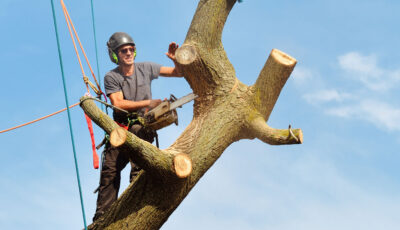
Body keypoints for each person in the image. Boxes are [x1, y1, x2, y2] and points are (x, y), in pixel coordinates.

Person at [93, 32, 183, 221]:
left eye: (131, 49)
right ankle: (102, 219)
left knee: (139, 168)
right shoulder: (112, 76)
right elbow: (118, 103)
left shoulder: (147, 68)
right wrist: (147, 103)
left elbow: (178, 73)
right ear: (115, 55)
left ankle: (137, 207)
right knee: (109, 172)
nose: (128, 53)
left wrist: (176, 60)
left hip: (142, 129)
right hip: (120, 131)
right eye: (123, 50)